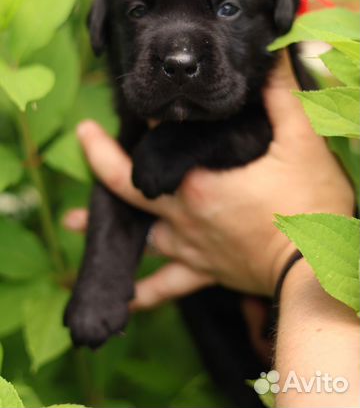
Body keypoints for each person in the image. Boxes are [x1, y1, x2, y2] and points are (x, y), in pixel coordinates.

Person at [64, 50, 359, 407]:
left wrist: (282, 255)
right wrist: (104, 275)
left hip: (310, 302)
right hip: (221, 312)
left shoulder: (273, 77)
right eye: (139, 10)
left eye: (225, 8)